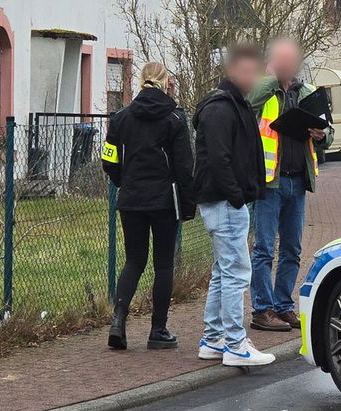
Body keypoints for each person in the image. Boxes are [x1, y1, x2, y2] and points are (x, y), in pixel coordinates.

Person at [192, 44, 277, 367]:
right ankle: (235, 344)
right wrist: (236, 195)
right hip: (225, 202)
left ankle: (213, 339)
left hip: (225, 200)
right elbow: (219, 159)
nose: (252, 78)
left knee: (223, 271)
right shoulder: (221, 109)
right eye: (247, 71)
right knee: (236, 273)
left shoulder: (232, 105)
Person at [101, 62, 194, 351]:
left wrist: (123, 181)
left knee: (134, 261)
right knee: (163, 265)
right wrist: (187, 205)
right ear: (166, 83)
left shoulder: (121, 118)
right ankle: (158, 330)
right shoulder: (174, 119)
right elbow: (184, 166)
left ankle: (118, 321)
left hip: (131, 200)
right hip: (164, 201)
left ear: (141, 80)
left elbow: (109, 159)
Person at [248, 38, 331, 333]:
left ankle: (283, 305)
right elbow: (248, 106)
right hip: (270, 182)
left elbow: (328, 133)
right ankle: (262, 309)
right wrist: (271, 79)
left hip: (298, 181)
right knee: (264, 249)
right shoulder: (264, 91)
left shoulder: (307, 93)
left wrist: (322, 136)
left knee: (292, 250)